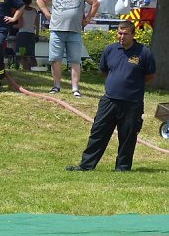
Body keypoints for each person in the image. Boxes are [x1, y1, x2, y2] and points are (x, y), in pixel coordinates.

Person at [66, 20, 156, 172]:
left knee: (127, 137)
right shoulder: (110, 50)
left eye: (125, 34)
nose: (121, 37)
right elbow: (104, 71)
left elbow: (150, 76)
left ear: (133, 35)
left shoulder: (144, 52)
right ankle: (86, 166)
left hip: (132, 103)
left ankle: (122, 168)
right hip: (109, 100)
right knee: (98, 133)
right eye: (119, 33)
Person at [36, 0, 99, 97]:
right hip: (56, 30)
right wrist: (47, 14)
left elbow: (95, 3)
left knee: (75, 60)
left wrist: (88, 19)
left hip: (75, 31)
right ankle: (56, 86)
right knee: (55, 59)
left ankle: (75, 89)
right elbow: (40, 1)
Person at [15, 0, 39, 70]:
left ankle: (20, 68)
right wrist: (37, 34)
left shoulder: (21, 11)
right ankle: (34, 68)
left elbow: (20, 25)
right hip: (31, 34)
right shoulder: (34, 11)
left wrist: (12, 26)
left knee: (21, 53)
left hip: (22, 33)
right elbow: (37, 24)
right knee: (31, 54)